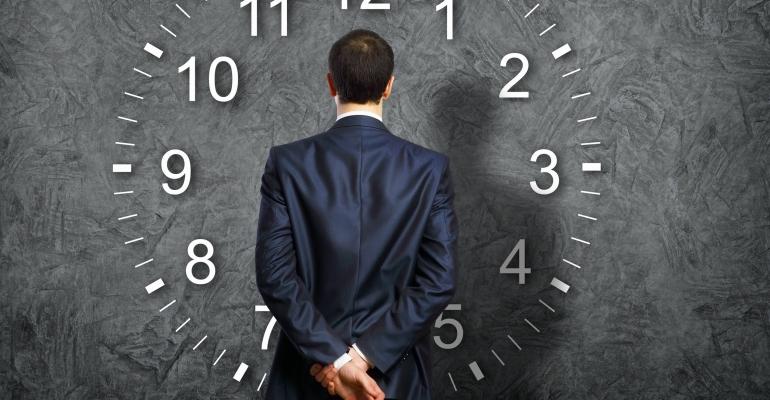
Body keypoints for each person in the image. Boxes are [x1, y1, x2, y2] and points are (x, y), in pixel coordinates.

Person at [255, 28, 458, 400]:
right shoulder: (429, 170)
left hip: (307, 377)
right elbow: (436, 282)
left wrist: (335, 359)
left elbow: (275, 278)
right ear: (389, 87)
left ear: (331, 84)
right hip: (393, 380)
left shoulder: (287, 164)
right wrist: (364, 357)